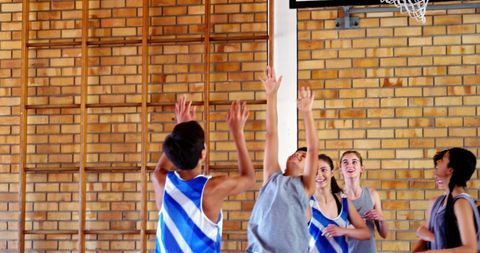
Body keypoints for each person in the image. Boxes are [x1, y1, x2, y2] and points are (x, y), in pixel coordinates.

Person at [152, 96, 255, 253]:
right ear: (202, 154)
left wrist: (180, 130)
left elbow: (160, 167)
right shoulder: (212, 188)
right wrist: (237, 132)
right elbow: (249, 179)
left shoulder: (161, 182)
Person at [247, 66, 319, 253]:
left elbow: (313, 148)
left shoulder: (305, 187)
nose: (299, 155)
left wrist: (306, 113)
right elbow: (271, 134)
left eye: (304, 157)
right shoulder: (272, 177)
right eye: (297, 153)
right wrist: (271, 96)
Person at [413, 147, 480, 253]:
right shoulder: (436, 202)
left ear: (451, 170)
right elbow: (424, 235)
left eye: (443, 159)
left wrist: (431, 245)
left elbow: (470, 249)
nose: (438, 161)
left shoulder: (461, 203)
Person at [308, 154, 370, 253]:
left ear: (332, 173)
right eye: (314, 171)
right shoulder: (307, 202)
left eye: (323, 170)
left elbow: (366, 233)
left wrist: (343, 231)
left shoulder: (343, 200)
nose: (319, 174)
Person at [339, 150, 388, 253]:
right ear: (340, 169)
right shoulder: (336, 197)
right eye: (345, 162)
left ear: (362, 168)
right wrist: (353, 226)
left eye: (354, 162)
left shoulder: (372, 194)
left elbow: (384, 234)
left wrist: (381, 218)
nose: (350, 165)